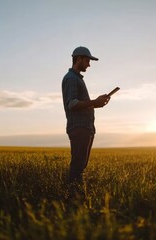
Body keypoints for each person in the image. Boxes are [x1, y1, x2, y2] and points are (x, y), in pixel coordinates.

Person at [61, 46, 110, 191]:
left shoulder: (76, 78)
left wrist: (96, 104)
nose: (89, 64)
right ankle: (73, 200)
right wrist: (94, 102)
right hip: (80, 128)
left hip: (85, 128)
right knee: (77, 167)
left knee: (80, 166)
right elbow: (72, 104)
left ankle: (76, 198)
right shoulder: (71, 79)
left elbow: (79, 104)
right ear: (79, 59)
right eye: (87, 61)